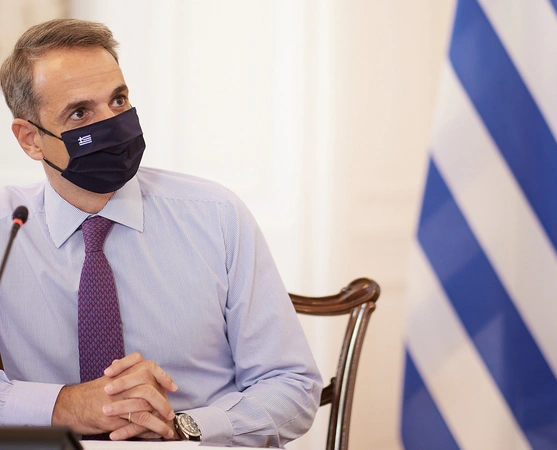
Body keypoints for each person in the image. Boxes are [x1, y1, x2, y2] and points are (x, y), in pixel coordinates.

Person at [0, 18, 322, 446]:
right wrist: (66, 406)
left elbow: (292, 385)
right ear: (30, 139)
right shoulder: (8, 231)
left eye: (118, 100)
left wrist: (184, 427)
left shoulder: (216, 216)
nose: (113, 125)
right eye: (80, 113)